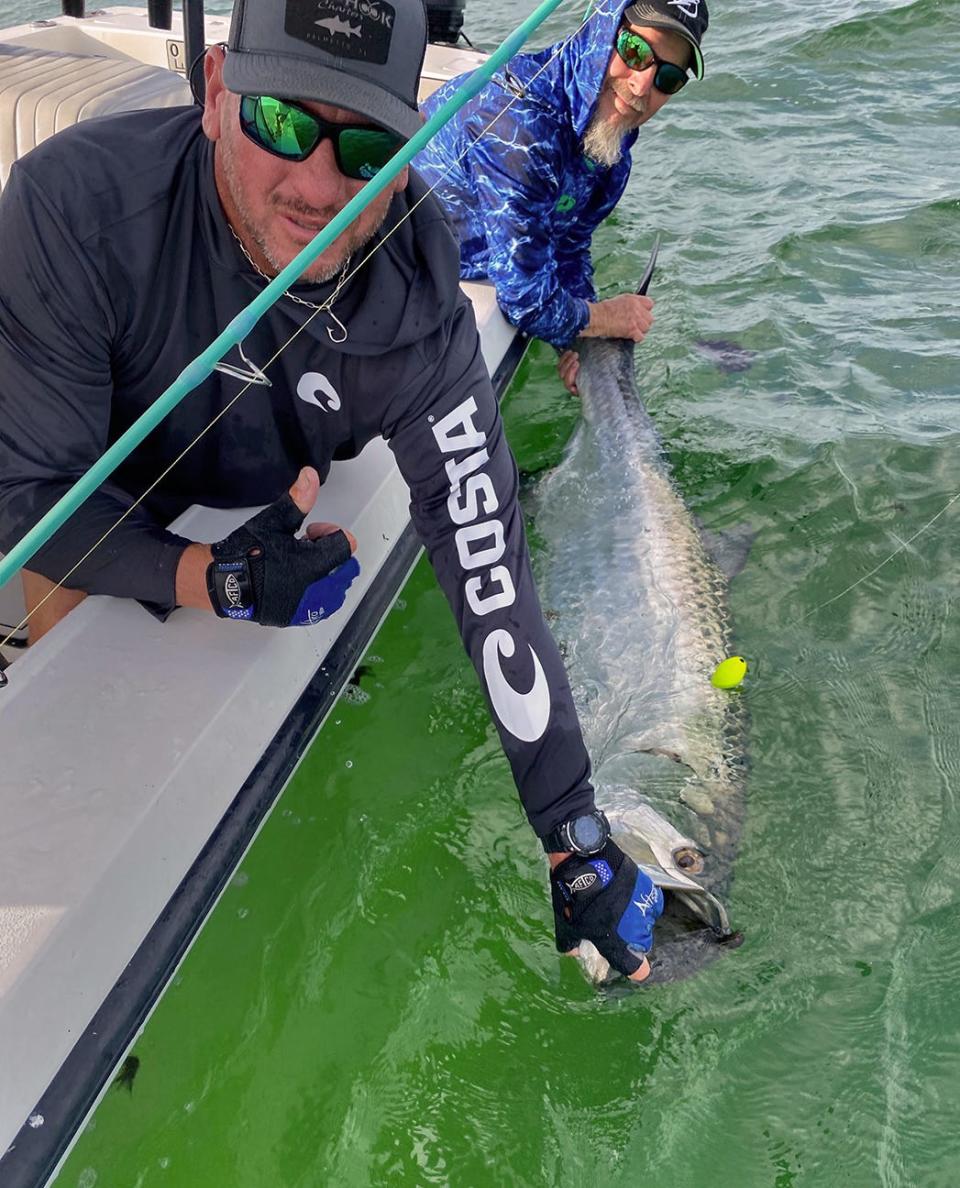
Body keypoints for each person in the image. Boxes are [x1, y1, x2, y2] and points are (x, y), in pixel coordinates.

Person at [0, 0, 662, 982]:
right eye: (282, 122)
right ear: (218, 90)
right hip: (106, 492)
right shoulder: (74, 204)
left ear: (408, 143)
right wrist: (210, 579)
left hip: (277, 487)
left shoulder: (418, 294)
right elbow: (28, 503)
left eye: (364, 145)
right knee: (85, 766)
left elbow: (488, 567)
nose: (317, 183)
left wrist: (572, 830)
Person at [414, 0, 708, 394]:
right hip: (403, 257)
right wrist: (603, 319)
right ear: (602, 28)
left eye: (667, 77)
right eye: (635, 52)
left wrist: (580, 341)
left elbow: (569, 247)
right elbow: (524, 298)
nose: (642, 85)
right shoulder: (518, 124)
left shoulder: (611, 151)